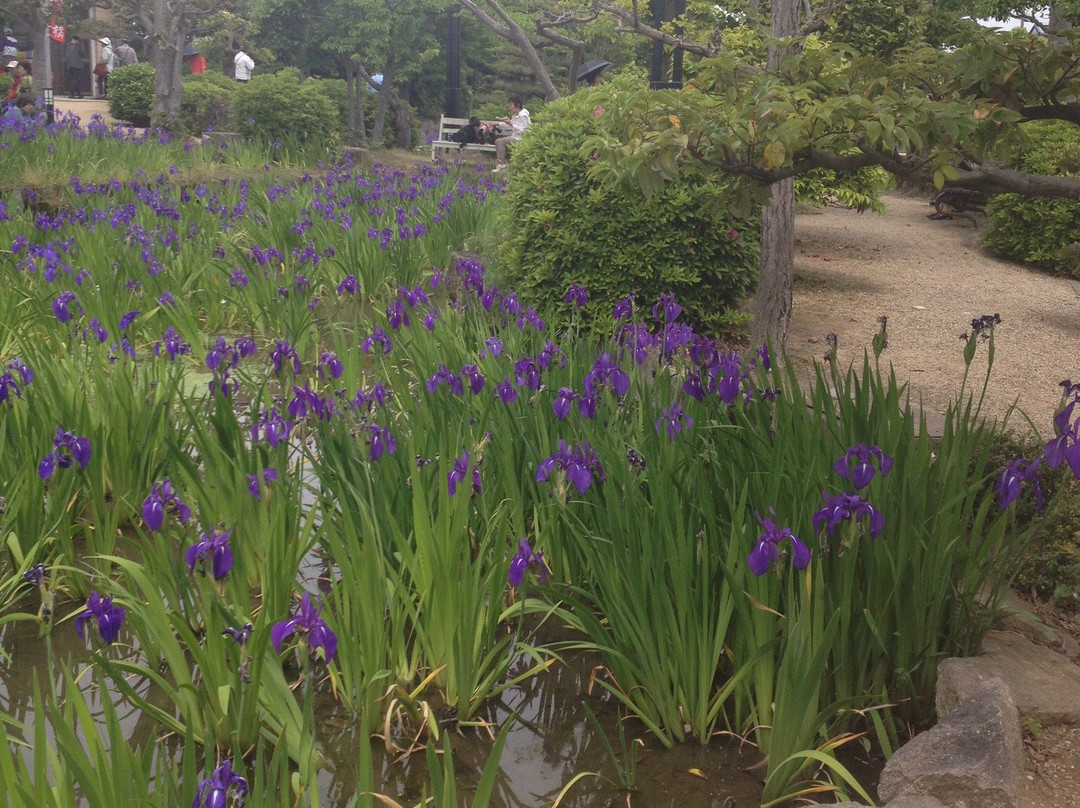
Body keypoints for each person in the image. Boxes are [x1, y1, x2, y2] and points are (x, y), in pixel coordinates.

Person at [493, 95, 530, 172]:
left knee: (499, 142)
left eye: (511, 105)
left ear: (518, 105)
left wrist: (511, 124)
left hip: (521, 139)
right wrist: (497, 124)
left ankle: (501, 164)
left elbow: (523, 131)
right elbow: (510, 126)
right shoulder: (515, 116)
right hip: (515, 137)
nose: (510, 107)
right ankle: (503, 163)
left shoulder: (523, 116)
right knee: (500, 141)